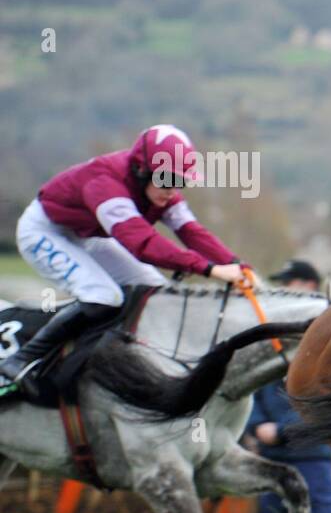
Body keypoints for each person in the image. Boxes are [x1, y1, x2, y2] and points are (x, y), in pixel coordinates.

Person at [1, 125, 250, 396]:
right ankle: (21, 360)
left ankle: (128, 355)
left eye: (180, 181)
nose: (172, 189)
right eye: (167, 179)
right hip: (44, 231)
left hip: (87, 233)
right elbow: (142, 244)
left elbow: (192, 232)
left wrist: (237, 264)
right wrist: (209, 269)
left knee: (156, 290)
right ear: (142, 171)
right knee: (103, 296)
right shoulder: (105, 185)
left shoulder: (160, 189)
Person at [247, 259, 331, 513]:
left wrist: (279, 430)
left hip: (309, 452)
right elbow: (249, 389)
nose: (280, 288)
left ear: (307, 285)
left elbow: (325, 399)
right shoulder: (270, 340)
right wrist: (256, 424)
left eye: (288, 282)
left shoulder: (327, 343)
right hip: (272, 455)